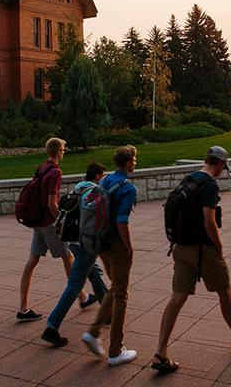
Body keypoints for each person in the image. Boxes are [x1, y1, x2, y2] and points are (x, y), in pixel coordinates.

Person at [151, 146, 231, 374]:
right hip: (204, 250)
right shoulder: (210, 185)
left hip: (180, 247)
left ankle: (160, 353)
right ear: (220, 164)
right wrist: (219, 245)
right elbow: (208, 221)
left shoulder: (189, 178)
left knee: (177, 298)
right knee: (225, 292)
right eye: (224, 166)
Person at [82, 146, 140, 366]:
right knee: (121, 295)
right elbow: (122, 220)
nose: (135, 164)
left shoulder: (104, 180)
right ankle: (116, 350)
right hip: (116, 243)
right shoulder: (128, 188)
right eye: (134, 160)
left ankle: (94, 332)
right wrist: (129, 247)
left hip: (100, 241)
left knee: (115, 287)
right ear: (127, 163)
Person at [41, 162, 109, 347]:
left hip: (73, 240)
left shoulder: (78, 187)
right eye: (103, 176)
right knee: (74, 286)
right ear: (97, 176)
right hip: (86, 243)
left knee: (94, 273)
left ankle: (108, 310)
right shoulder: (93, 191)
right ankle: (51, 327)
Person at [17, 138, 84, 322]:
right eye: (63, 149)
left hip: (37, 220)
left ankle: (23, 308)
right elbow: (51, 203)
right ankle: (83, 297)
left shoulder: (42, 167)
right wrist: (61, 219)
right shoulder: (55, 172)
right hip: (47, 222)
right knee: (67, 256)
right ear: (59, 151)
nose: (64, 152)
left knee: (32, 260)